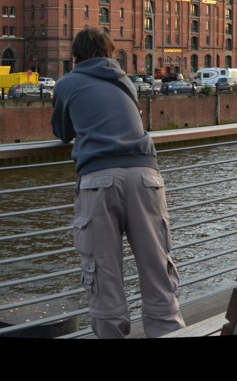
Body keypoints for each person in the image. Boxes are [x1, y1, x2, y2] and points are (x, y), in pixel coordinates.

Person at [51, 26, 185, 339]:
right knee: (157, 269)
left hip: (99, 180)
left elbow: (62, 131)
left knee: (103, 275)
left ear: (75, 57)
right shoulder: (124, 80)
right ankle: (169, 332)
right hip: (145, 176)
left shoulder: (67, 83)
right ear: (110, 53)